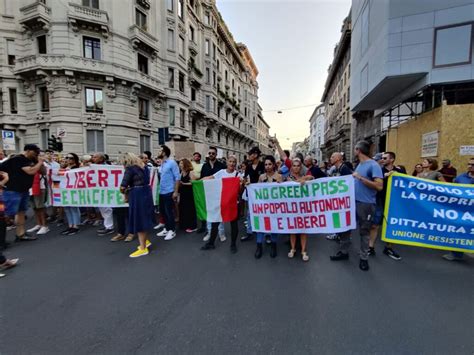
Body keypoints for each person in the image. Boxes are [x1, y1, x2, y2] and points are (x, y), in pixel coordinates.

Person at [330, 141, 383, 271]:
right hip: (352, 202)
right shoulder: (360, 164)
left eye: (354, 149)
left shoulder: (373, 165)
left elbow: (379, 186)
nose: (354, 152)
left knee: (364, 231)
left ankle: (364, 258)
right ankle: (344, 252)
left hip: (366, 204)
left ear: (358, 150)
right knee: (345, 227)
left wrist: (360, 178)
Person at [0, 144, 45, 241]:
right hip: (12, 191)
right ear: (28, 151)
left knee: (21, 212)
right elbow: (31, 171)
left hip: (24, 190)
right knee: (7, 214)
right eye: (35, 151)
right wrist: (39, 162)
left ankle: (20, 234)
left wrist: (40, 162)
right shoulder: (18, 159)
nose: (37, 153)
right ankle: (1, 240)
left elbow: (43, 172)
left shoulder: (32, 160)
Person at [368, 151, 405, 260]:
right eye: (382, 158)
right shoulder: (379, 170)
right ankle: (370, 247)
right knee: (375, 224)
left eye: (385, 158)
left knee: (391, 225)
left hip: (394, 201)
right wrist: (384, 177)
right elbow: (373, 182)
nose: (382, 160)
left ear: (392, 159)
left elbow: (407, 183)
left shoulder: (400, 170)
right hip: (380, 200)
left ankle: (388, 248)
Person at [201, 155, 240, 254]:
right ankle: (211, 243)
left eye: (234, 162)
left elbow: (240, 190)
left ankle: (233, 244)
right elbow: (210, 178)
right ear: (227, 162)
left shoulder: (238, 175)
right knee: (215, 223)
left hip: (233, 204)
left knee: (234, 224)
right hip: (221, 202)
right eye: (230, 161)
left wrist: (242, 184)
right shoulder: (221, 172)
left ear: (236, 163)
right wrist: (198, 181)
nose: (232, 163)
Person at [120, 153, 154, 258]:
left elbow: (123, 186)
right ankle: (145, 241)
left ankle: (143, 248)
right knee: (144, 217)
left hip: (137, 195)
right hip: (146, 192)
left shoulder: (130, 169)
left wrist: (125, 193)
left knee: (139, 219)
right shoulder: (145, 167)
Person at [442, 157, 474, 261]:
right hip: (462, 210)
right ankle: (456, 253)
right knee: (459, 230)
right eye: (469, 164)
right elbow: (453, 190)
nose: (470, 166)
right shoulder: (461, 177)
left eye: (473, 165)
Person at [254, 155, 282, 259]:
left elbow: (283, 191)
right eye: (266, 164)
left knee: (274, 225)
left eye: (270, 164)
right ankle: (259, 246)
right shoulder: (261, 177)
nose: (267, 166)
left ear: (273, 165)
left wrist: (281, 184)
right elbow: (256, 190)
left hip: (275, 206)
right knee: (261, 225)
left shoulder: (279, 177)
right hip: (264, 206)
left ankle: (274, 245)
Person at [286, 158, 312, 261]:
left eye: (298, 166)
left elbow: (312, 177)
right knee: (292, 229)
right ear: (291, 167)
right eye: (294, 165)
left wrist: (305, 179)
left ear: (300, 167)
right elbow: (287, 185)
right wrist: (299, 181)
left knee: (303, 229)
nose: (296, 167)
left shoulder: (304, 176)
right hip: (292, 207)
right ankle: (293, 249)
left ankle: (303, 251)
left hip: (303, 207)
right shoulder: (288, 177)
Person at [200, 146, 226, 240]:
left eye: (213, 153)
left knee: (219, 213)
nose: (211, 155)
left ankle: (221, 233)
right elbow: (201, 179)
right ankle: (209, 232)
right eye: (209, 153)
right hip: (208, 193)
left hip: (218, 193)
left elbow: (225, 178)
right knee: (209, 214)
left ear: (216, 154)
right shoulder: (204, 166)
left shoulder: (221, 166)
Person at [326, 152, 353, 241]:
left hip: (343, 199)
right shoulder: (337, 169)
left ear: (338, 158)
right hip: (338, 198)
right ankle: (338, 233)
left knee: (342, 217)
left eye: (332, 157)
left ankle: (343, 236)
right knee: (337, 217)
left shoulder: (344, 168)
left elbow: (348, 183)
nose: (330, 158)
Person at [156, 145, 180, 241]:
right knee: (163, 211)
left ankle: (172, 230)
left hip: (169, 191)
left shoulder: (172, 163)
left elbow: (177, 178)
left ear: (164, 152)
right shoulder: (162, 163)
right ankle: (166, 228)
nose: (158, 152)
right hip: (162, 191)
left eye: (160, 150)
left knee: (169, 211)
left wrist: (175, 191)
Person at [241, 146, 265, 242]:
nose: (249, 156)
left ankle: (266, 232)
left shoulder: (263, 165)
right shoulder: (249, 166)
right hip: (251, 194)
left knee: (263, 212)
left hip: (262, 194)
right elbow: (245, 178)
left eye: (250, 154)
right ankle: (250, 231)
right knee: (250, 213)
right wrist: (245, 182)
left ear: (255, 155)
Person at [92, 153, 115, 235]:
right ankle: (107, 225)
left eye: (95, 157)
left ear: (101, 159)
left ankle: (110, 227)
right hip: (98, 190)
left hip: (105, 190)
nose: (93, 158)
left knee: (107, 209)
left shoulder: (107, 167)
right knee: (102, 209)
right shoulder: (93, 166)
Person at [27, 152, 49, 236]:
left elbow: (44, 172)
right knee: (34, 207)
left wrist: (40, 162)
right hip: (30, 188)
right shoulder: (28, 163)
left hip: (40, 187)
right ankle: (38, 224)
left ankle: (45, 226)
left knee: (40, 207)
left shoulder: (42, 164)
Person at [60, 153, 82, 236]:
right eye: (67, 158)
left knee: (73, 208)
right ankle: (70, 225)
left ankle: (75, 226)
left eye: (71, 158)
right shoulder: (64, 168)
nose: (68, 159)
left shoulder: (77, 168)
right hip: (65, 190)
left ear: (75, 159)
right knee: (67, 208)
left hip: (73, 191)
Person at [178, 158, 197, 233]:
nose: (180, 165)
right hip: (183, 192)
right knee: (183, 208)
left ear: (185, 164)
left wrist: (184, 184)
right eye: (180, 163)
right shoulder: (181, 172)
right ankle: (185, 224)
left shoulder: (190, 172)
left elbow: (193, 183)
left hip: (189, 193)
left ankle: (193, 226)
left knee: (190, 209)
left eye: (181, 163)